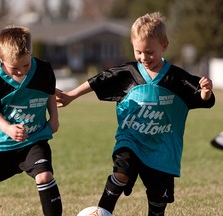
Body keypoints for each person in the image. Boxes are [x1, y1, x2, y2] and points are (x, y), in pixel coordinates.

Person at [56, 12, 215, 215]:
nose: (143, 57)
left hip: (162, 149)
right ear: (132, 45)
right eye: (138, 51)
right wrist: (71, 95)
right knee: (121, 173)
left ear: (164, 46)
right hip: (130, 140)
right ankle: (102, 211)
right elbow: (98, 80)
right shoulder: (128, 73)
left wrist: (206, 92)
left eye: (149, 52)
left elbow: (205, 100)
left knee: (158, 196)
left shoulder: (176, 78)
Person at [0, 26, 62, 216]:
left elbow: (50, 93)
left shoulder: (43, 69)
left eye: (25, 65)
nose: (20, 71)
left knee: (44, 176)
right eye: (14, 67)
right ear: (1, 58)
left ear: (30, 54)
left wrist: (54, 119)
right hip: (1, 142)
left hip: (35, 137)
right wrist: (8, 128)